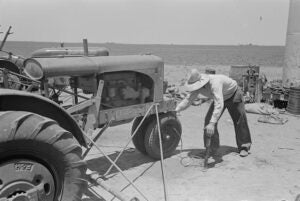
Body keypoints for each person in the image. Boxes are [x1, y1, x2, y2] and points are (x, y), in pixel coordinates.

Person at [175, 69, 252, 157]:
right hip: (221, 97)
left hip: (233, 94)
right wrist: (177, 110)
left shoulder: (215, 83)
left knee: (240, 120)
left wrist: (212, 123)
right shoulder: (197, 86)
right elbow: (188, 99)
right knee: (208, 120)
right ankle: (211, 149)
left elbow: (219, 103)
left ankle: (244, 147)